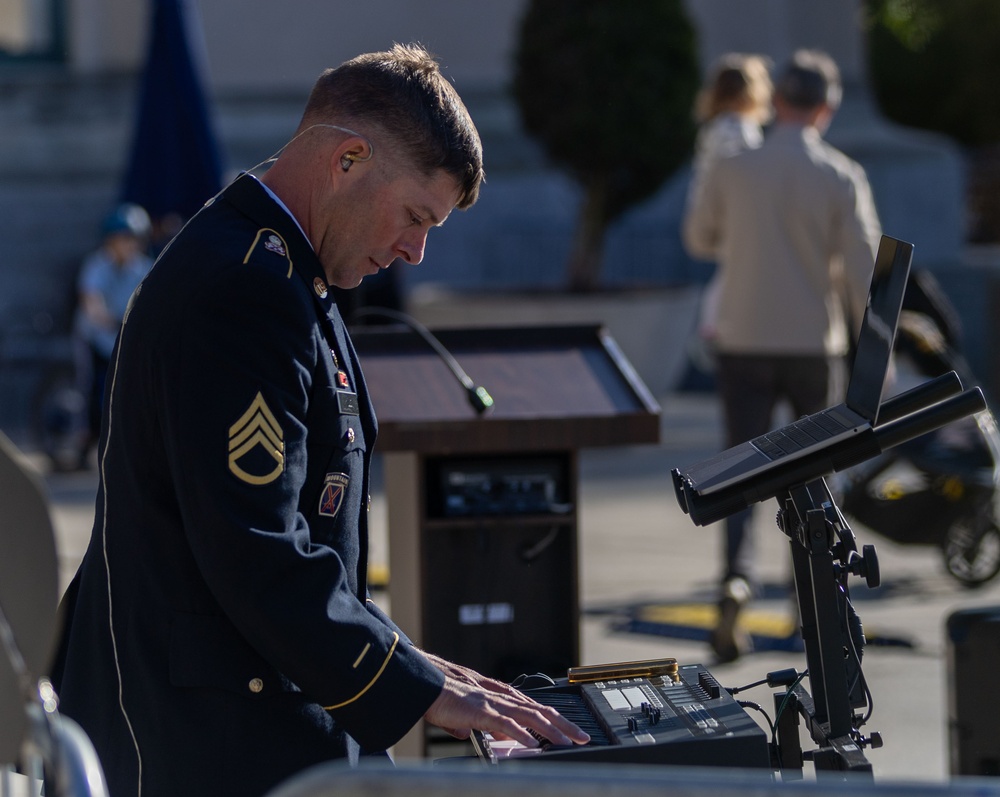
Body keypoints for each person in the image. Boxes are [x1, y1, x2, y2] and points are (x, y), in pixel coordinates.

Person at [51, 44, 589, 797]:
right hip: (202, 738)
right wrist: (414, 683)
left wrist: (412, 661)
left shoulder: (285, 273)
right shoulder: (244, 289)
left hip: (257, 706)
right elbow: (257, 549)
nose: (416, 251)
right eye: (413, 215)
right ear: (347, 160)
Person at [682, 49, 882, 663]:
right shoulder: (839, 173)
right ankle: (812, 602)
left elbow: (698, 238)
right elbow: (863, 274)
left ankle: (735, 582)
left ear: (779, 103)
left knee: (740, 469)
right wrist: (875, 352)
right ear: (826, 108)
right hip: (809, 342)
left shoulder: (735, 166)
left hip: (742, 336)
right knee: (814, 476)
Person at [686, 53, 772, 348]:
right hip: (735, 216)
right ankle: (715, 326)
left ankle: (714, 325)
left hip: (712, 216)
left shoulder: (713, 128)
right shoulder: (739, 129)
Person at [71, 203, 154, 468]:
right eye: (124, 238)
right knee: (93, 392)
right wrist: (105, 317)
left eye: (135, 239)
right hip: (95, 340)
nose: (129, 245)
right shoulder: (98, 265)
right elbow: (90, 300)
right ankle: (83, 444)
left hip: (125, 341)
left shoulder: (144, 268)